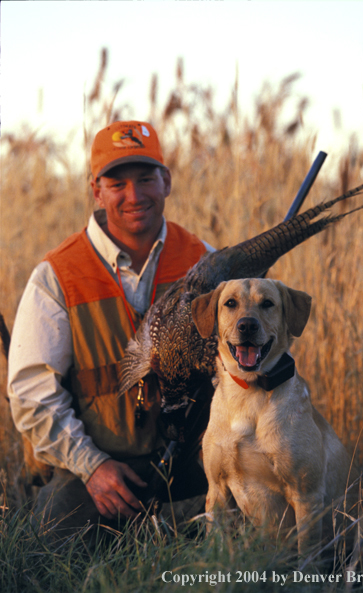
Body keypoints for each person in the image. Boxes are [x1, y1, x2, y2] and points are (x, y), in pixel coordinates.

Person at [8, 120, 214, 535]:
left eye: (145, 179)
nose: (134, 196)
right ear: (96, 191)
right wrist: (93, 467)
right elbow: (33, 395)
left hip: (197, 458)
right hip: (102, 464)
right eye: (117, 183)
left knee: (260, 524)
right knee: (49, 542)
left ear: (166, 182)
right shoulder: (56, 276)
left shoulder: (204, 262)